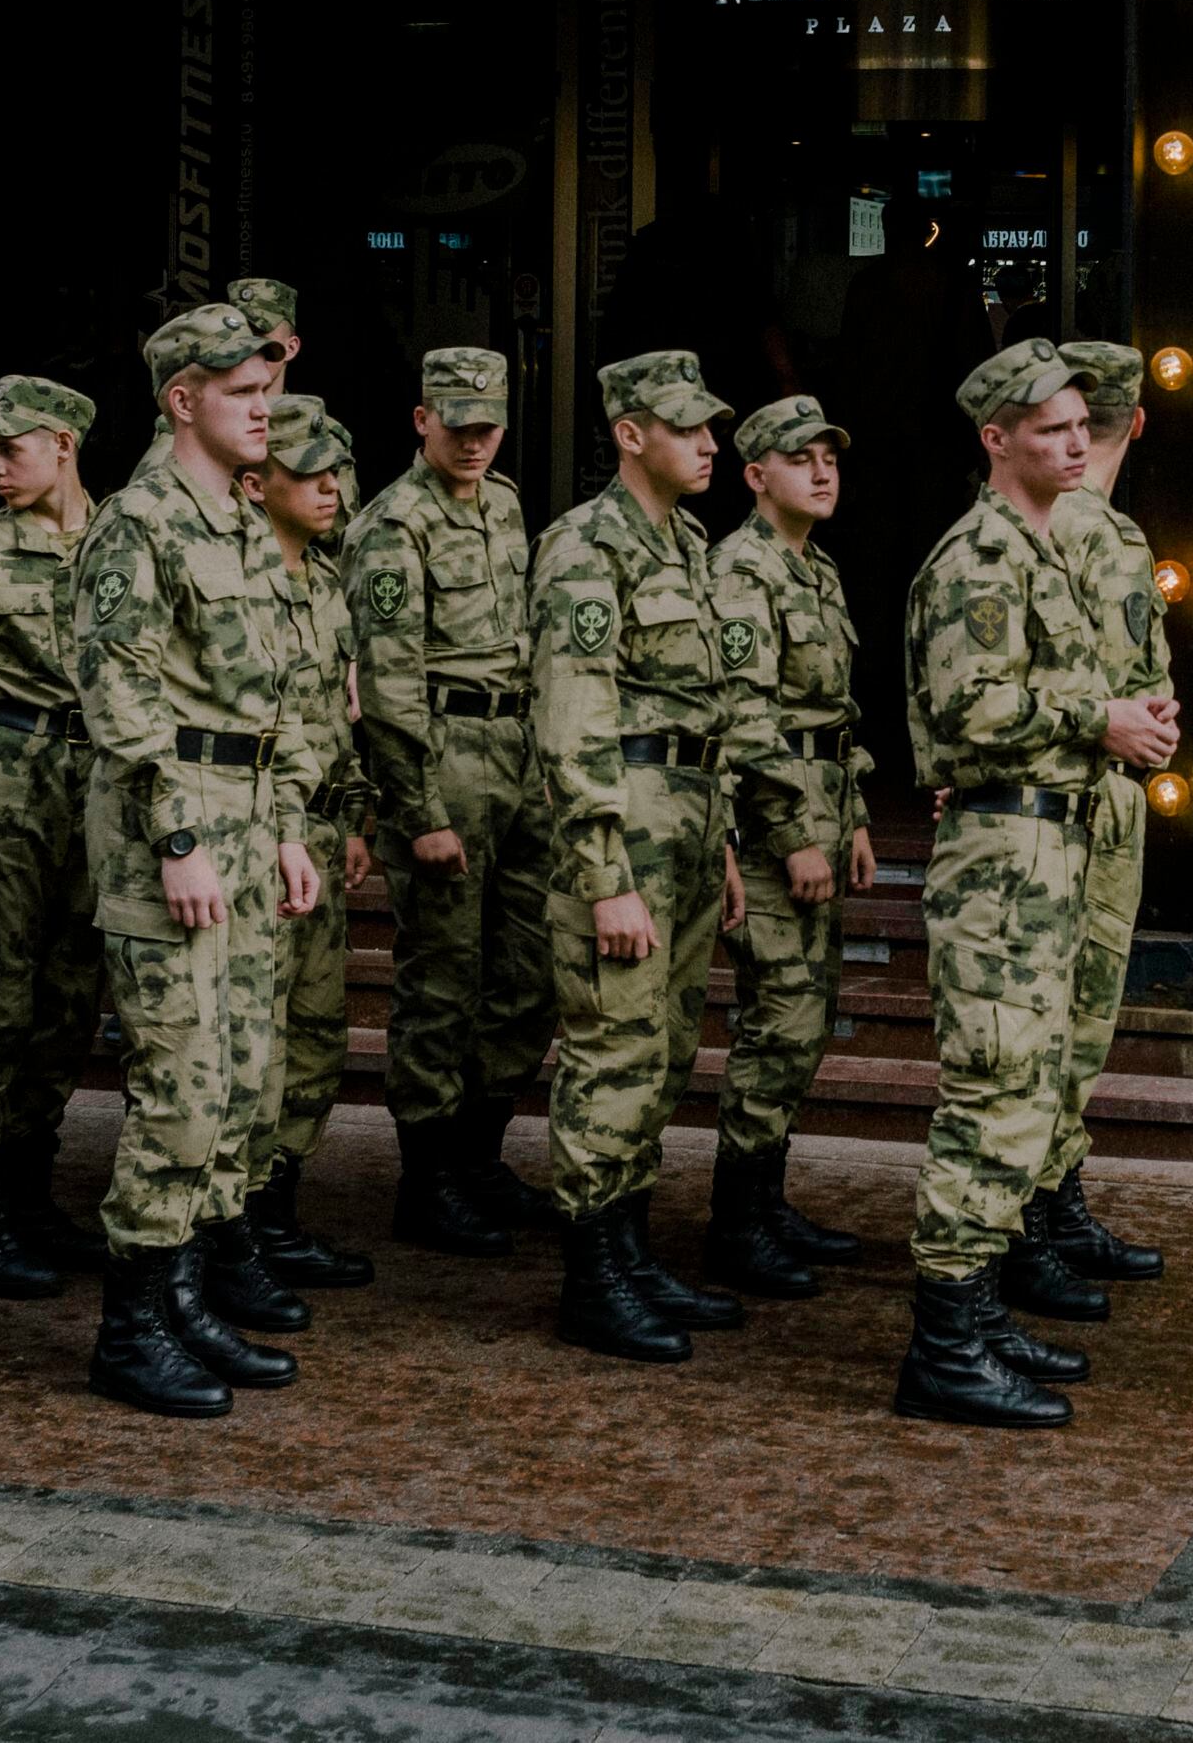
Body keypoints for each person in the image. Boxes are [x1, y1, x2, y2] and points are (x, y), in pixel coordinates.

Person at [894, 339, 1166, 1429]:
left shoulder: (1047, 546)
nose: (1073, 440)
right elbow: (969, 712)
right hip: (1003, 853)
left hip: (1052, 841)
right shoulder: (981, 557)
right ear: (995, 439)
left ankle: (982, 1310)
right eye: (1049, 428)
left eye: (1079, 425)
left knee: (1034, 1084)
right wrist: (1096, 718)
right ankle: (944, 1343)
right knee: (995, 1091)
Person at [72, 303, 323, 1417]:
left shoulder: (235, 517)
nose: (263, 404)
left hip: (245, 818)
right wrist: (176, 835)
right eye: (239, 389)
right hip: (169, 828)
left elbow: (264, 696)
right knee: (179, 1085)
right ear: (182, 399)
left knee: (235, 1081)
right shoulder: (140, 523)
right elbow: (121, 695)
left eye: (267, 386)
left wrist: (284, 826)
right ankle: (130, 1327)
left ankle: (181, 1299)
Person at [529, 349, 769, 1366]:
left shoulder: (685, 542)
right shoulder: (589, 545)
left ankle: (627, 1250)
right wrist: (604, 873)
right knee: (611, 1049)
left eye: (713, 425)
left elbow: (698, 714)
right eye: (688, 425)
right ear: (631, 432)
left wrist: (718, 845)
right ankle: (592, 1274)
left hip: (683, 824)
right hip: (621, 828)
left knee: (664, 1052)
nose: (711, 442)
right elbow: (573, 720)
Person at [342, 345, 553, 1257]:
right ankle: (428, 1179)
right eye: (457, 422)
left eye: (489, 424)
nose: (475, 439)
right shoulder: (392, 526)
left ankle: (478, 1155)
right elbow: (387, 687)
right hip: (445, 756)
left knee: (528, 969)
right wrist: (418, 812)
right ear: (421, 418)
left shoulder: (503, 503)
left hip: (519, 750)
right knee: (443, 978)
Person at [701, 393, 876, 1301]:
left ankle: (767, 1204)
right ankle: (737, 1222)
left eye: (830, 458)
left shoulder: (817, 573)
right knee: (776, 1023)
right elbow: (748, 720)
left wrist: (853, 820)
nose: (821, 471)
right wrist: (798, 833)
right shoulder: (743, 572)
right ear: (755, 475)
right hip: (772, 831)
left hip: (818, 812)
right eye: (800, 458)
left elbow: (835, 719)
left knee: (806, 1022)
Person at [0, 372, 110, 1299]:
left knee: (73, 991)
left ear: (63, 445)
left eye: (11, 448)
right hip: (9, 773)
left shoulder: (124, 538)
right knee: (2, 990)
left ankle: (31, 1187)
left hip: (100, 784)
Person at [1026, 341, 1180, 1301]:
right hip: (1092, 797)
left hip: (1083, 791)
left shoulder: (1062, 522)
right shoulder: (1097, 532)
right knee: (1072, 1016)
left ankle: (1053, 1196)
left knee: (1071, 1016)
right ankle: (1036, 1210)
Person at [244, 394, 378, 1291]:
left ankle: (278, 1213)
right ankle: (237, 1226)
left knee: (315, 1034)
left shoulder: (324, 582)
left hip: (324, 833)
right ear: (260, 486)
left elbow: (337, 718)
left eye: (335, 471)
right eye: (308, 474)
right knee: (255, 1043)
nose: (329, 488)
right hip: (261, 835)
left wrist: (355, 814)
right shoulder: (240, 581)